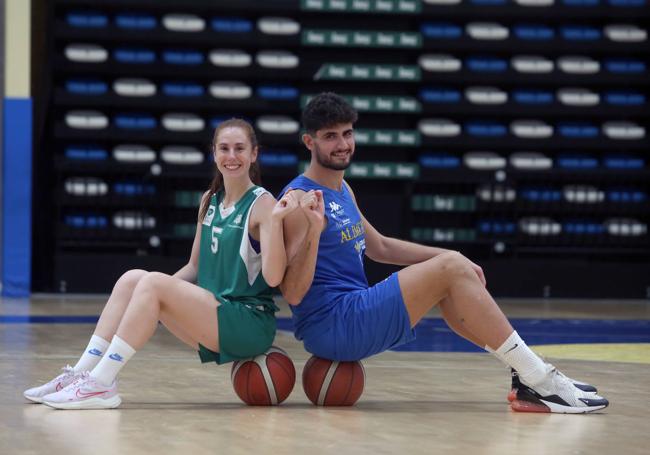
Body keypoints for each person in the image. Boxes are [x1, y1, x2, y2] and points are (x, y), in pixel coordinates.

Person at [279, 92, 609, 414]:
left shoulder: (342, 188)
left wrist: (453, 256)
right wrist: (311, 228)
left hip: (351, 313)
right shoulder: (299, 198)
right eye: (330, 137)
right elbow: (292, 292)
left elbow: (380, 247)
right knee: (449, 269)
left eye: (348, 133)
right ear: (309, 142)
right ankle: (540, 379)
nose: (342, 144)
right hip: (333, 324)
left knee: (452, 280)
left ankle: (530, 375)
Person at [24, 118, 299, 409]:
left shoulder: (263, 204)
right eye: (224, 148)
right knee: (133, 278)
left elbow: (272, 278)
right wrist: (148, 294)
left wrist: (276, 222)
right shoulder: (210, 199)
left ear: (254, 154)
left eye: (240, 148)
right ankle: (81, 373)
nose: (232, 157)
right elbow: (194, 266)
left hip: (249, 322)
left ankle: (102, 384)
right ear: (214, 153)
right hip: (215, 311)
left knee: (152, 283)